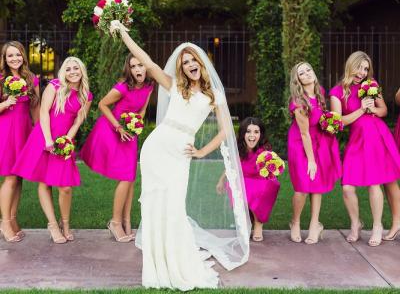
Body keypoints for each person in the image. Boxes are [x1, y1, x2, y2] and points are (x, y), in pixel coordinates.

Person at [110, 21, 250, 291]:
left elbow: (225, 132)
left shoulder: (214, 95)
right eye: (185, 63)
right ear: (182, 68)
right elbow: (147, 61)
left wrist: (200, 151)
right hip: (157, 147)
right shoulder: (174, 85)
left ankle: (174, 259)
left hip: (180, 152)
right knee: (153, 203)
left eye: (193, 60)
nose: (189, 65)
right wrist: (123, 33)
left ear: (201, 62)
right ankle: (156, 262)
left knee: (174, 205)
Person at [12, 57, 92, 244]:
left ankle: (65, 223)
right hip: (44, 137)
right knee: (45, 182)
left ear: (82, 71)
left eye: (76, 68)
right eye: (68, 68)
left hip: (64, 141)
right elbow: (43, 112)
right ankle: (52, 225)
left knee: (65, 187)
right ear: (63, 72)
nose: (72, 72)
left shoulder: (86, 95)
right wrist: (48, 140)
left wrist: (67, 140)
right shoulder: (55, 86)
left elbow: (78, 121)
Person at [330, 51, 400, 246]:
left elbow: (384, 110)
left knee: (375, 183)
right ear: (350, 66)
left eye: (366, 69)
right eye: (359, 67)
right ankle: (356, 223)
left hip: (377, 136)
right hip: (357, 140)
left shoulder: (371, 85)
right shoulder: (337, 91)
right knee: (347, 187)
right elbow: (338, 122)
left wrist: (372, 109)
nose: (362, 72)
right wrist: (361, 110)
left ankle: (378, 226)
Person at [80, 54, 153, 242]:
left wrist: (137, 122)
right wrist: (119, 127)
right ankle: (115, 222)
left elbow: (143, 109)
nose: (138, 70)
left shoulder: (150, 86)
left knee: (130, 177)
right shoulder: (122, 87)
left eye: (141, 65)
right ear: (129, 69)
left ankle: (126, 222)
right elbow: (102, 104)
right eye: (134, 66)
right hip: (113, 130)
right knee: (125, 176)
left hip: (130, 133)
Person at [288, 62, 341, 244]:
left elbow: (321, 117)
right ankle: (295, 222)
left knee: (317, 184)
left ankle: (314, 224)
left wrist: (329, 124)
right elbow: (304, 133)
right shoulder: (299, 102)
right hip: (300, 143)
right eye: (302, 73)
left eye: (309, 70)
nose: (307, 74)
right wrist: (311, 160)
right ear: (298, 80)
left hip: (319, 141)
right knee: (302, 187)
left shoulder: (320, 93)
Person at [0, 41, 40, 242]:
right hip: (6, 132)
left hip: (25, 132)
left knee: (19, 177)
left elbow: (35, 108)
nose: (14, 58)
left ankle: (13, 218)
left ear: (23, 56)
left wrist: (40, 133)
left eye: (17, 55)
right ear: (5, 59)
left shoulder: (31, 79)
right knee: (10, 178)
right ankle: (4, 223)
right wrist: (6, 103)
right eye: (10, 56)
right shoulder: (0, 79)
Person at [216, 116, 280, 242]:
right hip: (244, 180)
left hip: (261, 182)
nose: (252, 135)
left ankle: (258, 223)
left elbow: (272, 171)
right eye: (248, 131)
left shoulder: (265, 151)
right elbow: (231, 166)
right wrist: (221, 180)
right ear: (243, 133)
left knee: (258, 188)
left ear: (260, 135)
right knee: (235, 184)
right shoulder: (238, 149)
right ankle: (245, 220)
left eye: (256, 132)